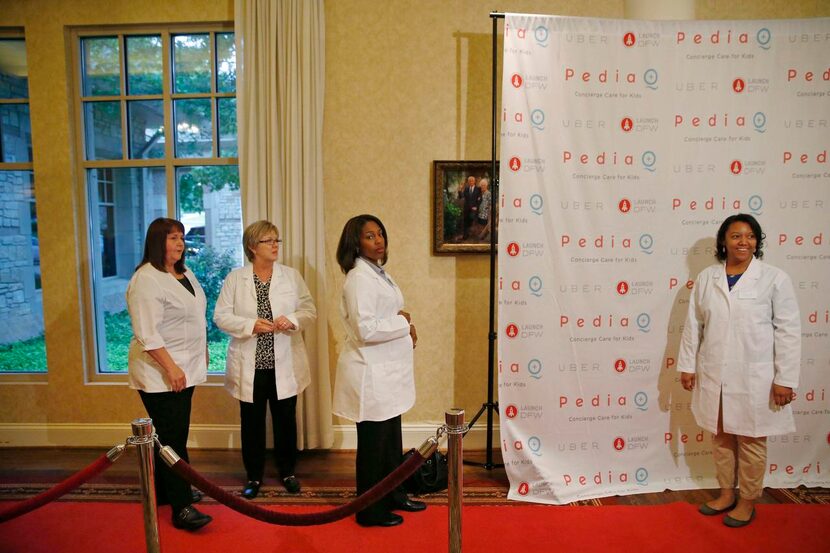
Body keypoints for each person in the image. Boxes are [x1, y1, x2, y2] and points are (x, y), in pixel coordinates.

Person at [677, 213, 801, 528]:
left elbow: (788, 331)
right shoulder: (707, 278)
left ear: (757, 242)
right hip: (715, 374)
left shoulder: (774, 278)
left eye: (749, 236)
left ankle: (747, 501)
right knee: (721, 438)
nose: (743, 242)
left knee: (751, 441)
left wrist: (784, 379)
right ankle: (725, 494)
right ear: (724, 241)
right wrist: (688, 366)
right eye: (735, 236)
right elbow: (694, 325)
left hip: (755, 377)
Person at [332, 214, 425, 528]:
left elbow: (387, 312)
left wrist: (401, 321)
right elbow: (365, 329)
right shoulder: (359, 277)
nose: (379, 240)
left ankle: (394, 494)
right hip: (370, 373)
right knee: (373, 446)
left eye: (380, 233)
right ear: (355, 243)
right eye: (370, 236)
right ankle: (370, 510)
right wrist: (403, 323)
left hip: (388, 372)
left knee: (390, 441)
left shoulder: (378, 273)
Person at [214, 220, 316, 499]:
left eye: (277, 240)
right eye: (268, 241)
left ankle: (288, 472)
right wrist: (249, 325)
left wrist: (292, 319)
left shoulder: (291, 276)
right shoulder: (236, 278)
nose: (275, 245)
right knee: (252, 423)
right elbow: (220, 316)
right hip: (251, 365)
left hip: (284, 362)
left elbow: (309, 310)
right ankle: (254, 476)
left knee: (286, 422)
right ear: (251, 246)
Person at [126, 217, 212, 531]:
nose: (179, 243)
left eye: (181, 237)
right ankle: (181, 508)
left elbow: (193, 316)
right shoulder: (146, 279)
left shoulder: (183, 272)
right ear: (156, 241)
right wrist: (171, 367)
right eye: (173, 238)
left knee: (170, 435)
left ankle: (166, 491)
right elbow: (147, 333)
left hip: (185, 368)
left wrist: (200, 352)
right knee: (173, 438)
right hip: (160, 372)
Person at [457, 175, 481, 239]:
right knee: (465, 222)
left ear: (474, 181)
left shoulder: (478, 189)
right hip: (466, 209)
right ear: (468, 182)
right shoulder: (466, 189)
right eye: (469, 181)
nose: (471, 182)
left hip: (474, 209)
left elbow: (480, 199)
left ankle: (473, 236)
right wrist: (459, 190)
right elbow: (461, 197)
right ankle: (465, 236)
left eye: (472, 181)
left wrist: (476, 207)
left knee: (472, 222)